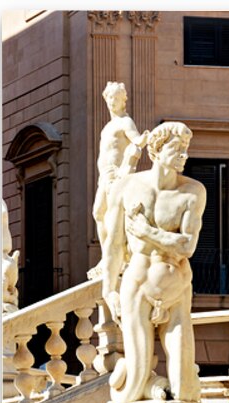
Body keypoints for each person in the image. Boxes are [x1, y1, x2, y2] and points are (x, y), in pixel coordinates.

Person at [101, 121, 206, 403]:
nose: (184, 154)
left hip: (178, 287)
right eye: (177, 148)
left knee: (185, 389)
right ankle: (142, 382)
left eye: (186, 148)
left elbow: (187, 246)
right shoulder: (127, 187)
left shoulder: (193, 192)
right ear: (157, 151)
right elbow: (113, 245)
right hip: (138, 285)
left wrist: (148, 232)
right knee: (132, 384)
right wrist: (108, 289)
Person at [90, 82, 149, 278]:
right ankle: (108, 254)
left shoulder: (126, 122)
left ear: (123, 100)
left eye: (116, 98)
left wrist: (148, 138)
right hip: (104, 176)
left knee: (113, 216)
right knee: (99, 213)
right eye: (109, 98)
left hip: (116, 176)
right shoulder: (108, 126)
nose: (112, 102)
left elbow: (137, 140)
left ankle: (117, 256)